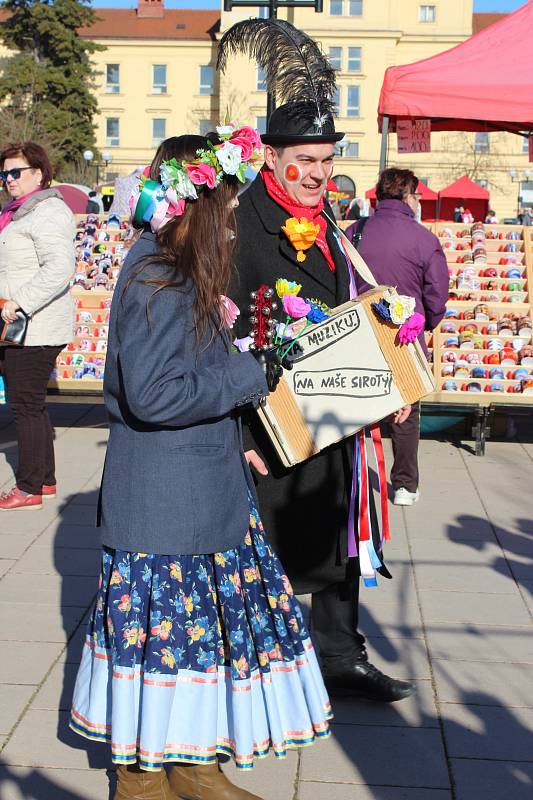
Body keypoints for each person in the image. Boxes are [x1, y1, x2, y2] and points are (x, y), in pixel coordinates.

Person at [69, 131, 332, 800]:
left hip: (196, 493)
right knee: (164, 644)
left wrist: (244, 399)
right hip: (167, 505)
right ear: (199, 203)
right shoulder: (160, 273)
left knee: (195, 644)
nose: (236, 215)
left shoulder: (175, 266)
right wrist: (251, 373)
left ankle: (190, 763)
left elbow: (186, 372)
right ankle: (144, 779)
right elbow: (155, 394)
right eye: (228, 201)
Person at [221, 18, 415, 704]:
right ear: (271, 159)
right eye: (304, 160)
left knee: (340, 541)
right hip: (267, 426)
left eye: (328, 160)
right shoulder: (240, 224)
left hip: (330, 415)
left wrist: (385, 376)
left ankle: (338, 655)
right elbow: (226, 331)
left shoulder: (329, 218)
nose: (317, 174)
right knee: (268, 555)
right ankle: (259, 672)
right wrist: (247, 432)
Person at [347, 169, 448, 507]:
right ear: (408, 196)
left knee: (359, 403)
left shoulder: (355, 232)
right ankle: (404, 484)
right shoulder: (424, 239)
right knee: (408, 413)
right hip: (406, 335)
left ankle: (352, 474)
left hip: (360, 332)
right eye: (417, 196)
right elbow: (437, 292)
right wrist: (428, 323)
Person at [0, 142, 75, 511]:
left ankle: (28, 486)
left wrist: (20, 301)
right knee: (33, 404)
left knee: (24, 404)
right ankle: (43, 480)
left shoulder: (47, 212)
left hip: (33, 325)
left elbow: (59, 268)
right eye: (4, 173)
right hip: (22, 325)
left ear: (39, 174)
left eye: (16, 172)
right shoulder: (20, 213)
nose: (8, 179)